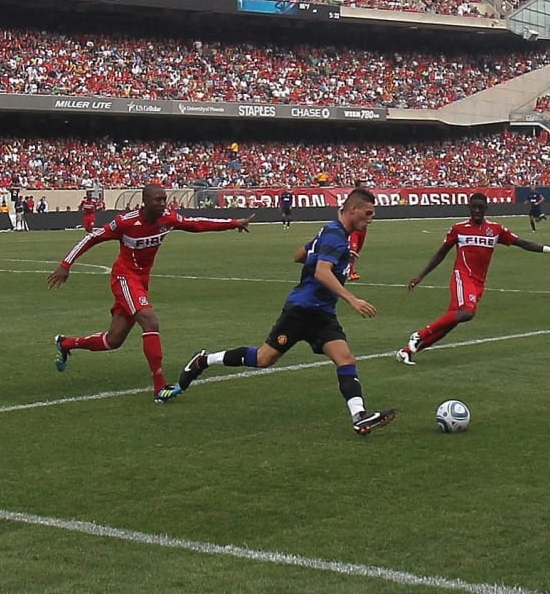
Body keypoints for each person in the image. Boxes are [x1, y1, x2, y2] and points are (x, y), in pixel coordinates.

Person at [168, 186, 397, 436]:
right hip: (302, 310)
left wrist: (321, 258)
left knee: (345, 359)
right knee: (263, 359)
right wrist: (351, 298)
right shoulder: (335, 236)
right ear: (353, 209)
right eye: (368, 213)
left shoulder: (330, 232)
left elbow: (299, 255)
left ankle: (359, 417)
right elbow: (322, 272)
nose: (371, 218)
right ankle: (203, 360)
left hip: (322, 313)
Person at [48, 182, 253, 402]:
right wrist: (65, 264)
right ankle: (159, 387)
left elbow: (197, 224)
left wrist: (233, 223)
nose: (163, 204)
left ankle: (66, 343)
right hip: (124, 278)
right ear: (145, 201)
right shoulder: (125, 222)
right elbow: (92, 237)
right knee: (150, 322)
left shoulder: (168, 219)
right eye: (158, 200)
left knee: (113, 340)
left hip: (140, 282)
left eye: (164, 199)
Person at [397, 192, 550, 363]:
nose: (477, 211)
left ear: (486, 208)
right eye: (474, 207)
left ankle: (406, 352)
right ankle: (419, 335)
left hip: (478, 282)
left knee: (450, 323)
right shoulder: (459, 229)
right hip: (462, 276)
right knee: (467, 312)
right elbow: (441, 253)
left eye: (481, 207)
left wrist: (549, 249)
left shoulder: (495, 230)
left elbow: (522, 243)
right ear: (469, 208)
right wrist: (420, 276)